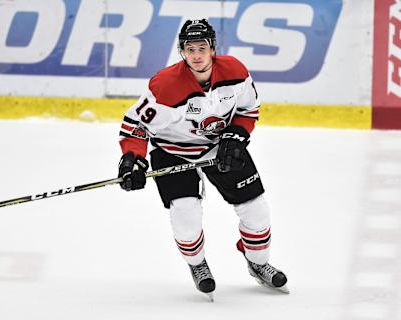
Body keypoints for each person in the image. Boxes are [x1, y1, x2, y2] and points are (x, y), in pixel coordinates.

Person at [117, 19, 288, 300]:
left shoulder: (235, 72)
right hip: (172, 150)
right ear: (182, 51)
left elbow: (249, 109)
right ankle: (198, 266)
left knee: (257, 211)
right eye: (190, 49)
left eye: (202, 48)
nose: (196, 55)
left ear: (213, 49)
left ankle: (257, 262)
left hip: (219, 147)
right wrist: (132, 159)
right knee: (185, 215)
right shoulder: (165, 85)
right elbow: (136, 124)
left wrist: (235, 135)